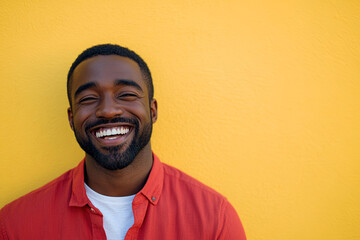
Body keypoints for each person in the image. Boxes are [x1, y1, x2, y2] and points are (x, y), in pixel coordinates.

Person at [0, 44, 246, 239]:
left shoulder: (214, 219)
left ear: (153, 110)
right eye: (88, 98)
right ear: (71, 118)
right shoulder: (14, 226)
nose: (108, 111)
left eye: (127, 95)